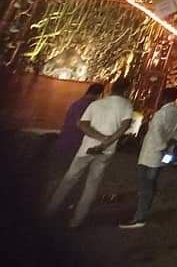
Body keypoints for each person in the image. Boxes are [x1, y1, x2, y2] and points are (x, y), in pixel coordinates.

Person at [46, 78, 133, 227]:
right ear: (126, 90)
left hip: (86, 148)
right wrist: (107, 141)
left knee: (68, 180)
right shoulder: (126, 105)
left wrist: (99, 138)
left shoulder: (96, 104)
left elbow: (82, 124)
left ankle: (49, 211)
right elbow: (124, 127)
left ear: (111, 89)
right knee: (92, 185)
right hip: (106, 152)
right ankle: (76, 221)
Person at [120, 86, 177, 228]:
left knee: (145, 184)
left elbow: (156, 134)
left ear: (164, 98)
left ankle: (140, 217)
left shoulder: (161, 114)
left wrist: (161, 148)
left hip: (151, 154)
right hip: (167, 152)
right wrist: (170, 146)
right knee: (152, 181)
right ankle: (143, 211)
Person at [48, 83, 104, 190]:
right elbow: (80, 124)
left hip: (66, 143)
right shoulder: (86, 105)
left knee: (61, 177)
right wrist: (100, 136)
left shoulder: (78, 103)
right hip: (72, 145)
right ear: (99, 95)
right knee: (64, 178)